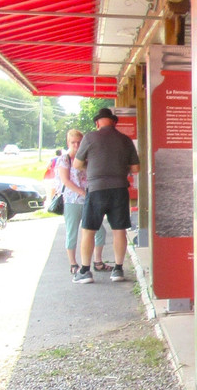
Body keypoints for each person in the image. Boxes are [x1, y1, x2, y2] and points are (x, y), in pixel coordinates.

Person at [72, 108, 140, 284]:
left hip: (96, 189)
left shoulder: (89, 138)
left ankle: (85, 271)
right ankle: (118, 270)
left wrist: (91, 168)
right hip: (119, 189)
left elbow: (77, 164)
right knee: (119, 230)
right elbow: (136, 169)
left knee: (88, 229)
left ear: (97, 123)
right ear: (114, 122)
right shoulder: (125, 140)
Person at [57, 129, 108, 275]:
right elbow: (65, 180)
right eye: (73, 142)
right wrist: (82, 193)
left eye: (79, 142)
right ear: (68, 143)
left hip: (90, 200)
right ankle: (73, 264)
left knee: (100, 231)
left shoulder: (87, 158)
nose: (76, 145)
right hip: (72, 201)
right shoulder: (65, 159)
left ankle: (97, 261)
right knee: (72, 232)